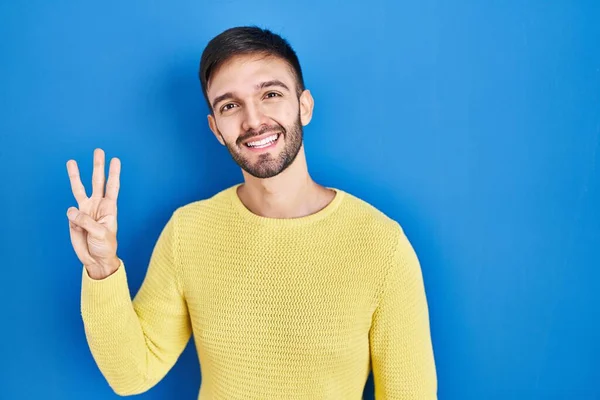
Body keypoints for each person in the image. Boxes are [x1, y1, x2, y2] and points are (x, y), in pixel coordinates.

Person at [66, 26, 437, 399]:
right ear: (216, 128)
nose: (253, 120)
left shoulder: (381, 245)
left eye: (270, 94)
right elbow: (132, 374)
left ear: (303, 106)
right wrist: (102, 270)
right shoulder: (188, 231)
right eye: (230, 105)